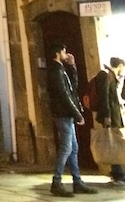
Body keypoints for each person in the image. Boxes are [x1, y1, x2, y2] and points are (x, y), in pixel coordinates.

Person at [47, 41, 97, 197]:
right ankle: (56, 182)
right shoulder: (55, 71)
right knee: (66, 148)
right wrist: (77, 114)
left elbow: (72, 89)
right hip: (63, 114)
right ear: (58, 53)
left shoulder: (61, 70)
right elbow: (64, 95)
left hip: (66, 114)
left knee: (73, 148)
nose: (66, 54)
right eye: (64, 52)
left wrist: (72, 67)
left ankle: (77, 181)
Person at [94, 56, 125, 185]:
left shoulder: (111, 76)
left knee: (115, 143)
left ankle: (117, 173)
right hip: (111, 116)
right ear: (120, 66)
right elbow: (105, 97)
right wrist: (107, 116)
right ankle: (118, 174)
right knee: (115, 144)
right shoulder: (107, 76)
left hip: (113, 114)